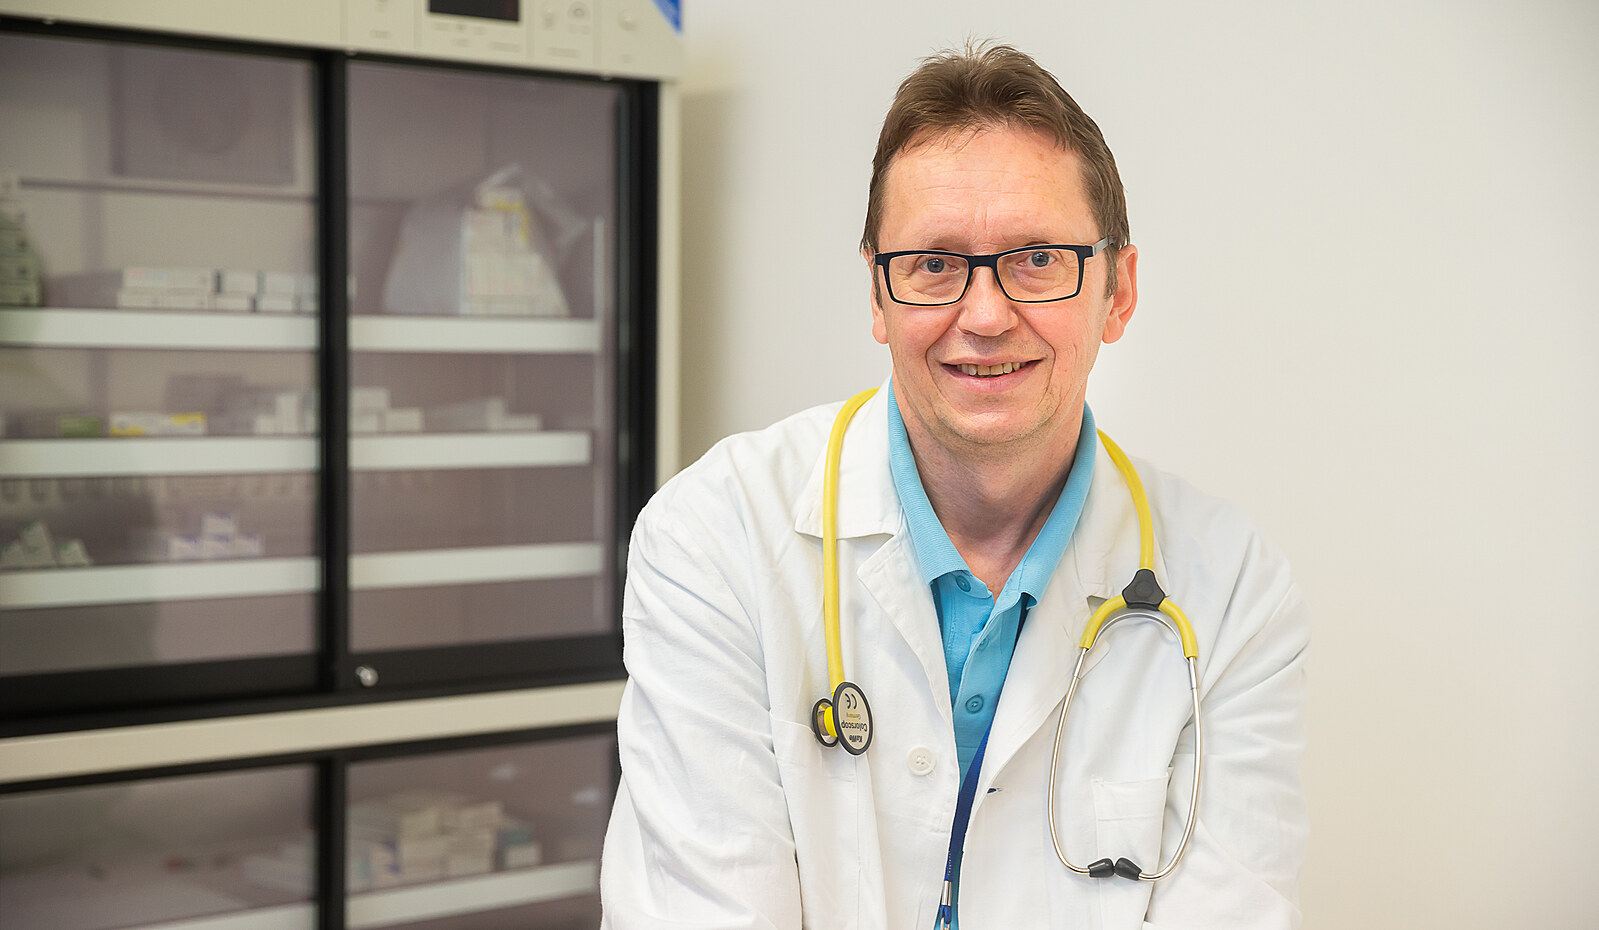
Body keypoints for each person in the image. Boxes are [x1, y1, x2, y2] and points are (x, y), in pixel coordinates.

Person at [600, 43, 1308, 929]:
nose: (983, 315)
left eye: (1037, 258)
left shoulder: (1231, 591)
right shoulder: (716, 536)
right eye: (934, 263)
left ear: (1117, 292)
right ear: (877, 294)